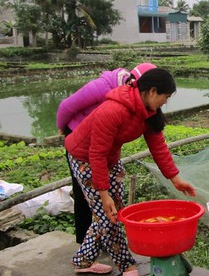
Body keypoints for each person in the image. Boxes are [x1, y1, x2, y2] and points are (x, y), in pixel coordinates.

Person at [64, 68, 196, 276]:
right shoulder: (113, 110)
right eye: (166, 97)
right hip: (85, 158)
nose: (166, 102)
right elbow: (95, 153)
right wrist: (103, 192)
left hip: (109, 158)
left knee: (112, 212)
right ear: (152, 92)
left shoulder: (148, 112)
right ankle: (126, 264)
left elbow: (158, 147)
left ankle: (82, 260)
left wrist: (176, 179)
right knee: (108, 214)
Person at [57, 63, 156, 244]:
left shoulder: (138, 104)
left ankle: (105, 241)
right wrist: (62, 129)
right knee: (85, 194)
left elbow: (155, 140)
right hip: (79, 138)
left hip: (103, 143)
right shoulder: (103, 87)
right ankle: (85, 243)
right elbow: (66, 106)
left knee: (110, 199)